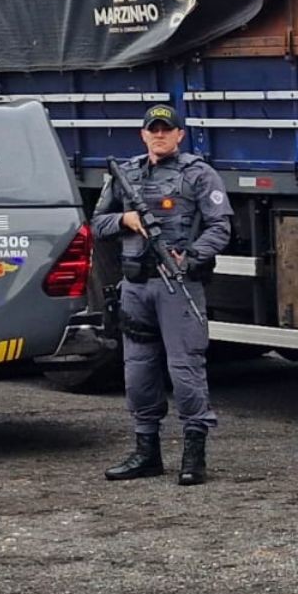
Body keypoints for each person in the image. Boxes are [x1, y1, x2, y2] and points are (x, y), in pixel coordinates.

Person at [93, 104, 232, 486]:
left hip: (178, 285)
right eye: (152, 129)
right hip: (136, 287)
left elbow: (220, 227)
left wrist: (190, 257)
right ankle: (146, 452)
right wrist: (125, 219)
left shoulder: (198, 174)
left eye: (166, 130)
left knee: (185, 371)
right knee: (138, 372)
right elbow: (96, 223)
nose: (159, 135)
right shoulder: (126, 174)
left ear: (179, 135)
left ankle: (193, 456)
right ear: (143, 134)